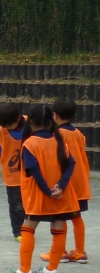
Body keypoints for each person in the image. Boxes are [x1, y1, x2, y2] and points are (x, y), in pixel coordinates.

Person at [2, 103, 78, 273]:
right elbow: (71, 164)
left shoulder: (30, 144)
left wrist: (47, 191)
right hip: (61, 195)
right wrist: (60, 186)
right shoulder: (60, 142)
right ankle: (51, 269)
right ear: (51, 122)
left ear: (31, 122)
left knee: (28, 227)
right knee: (59, 228)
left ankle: (24, 271)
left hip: (39, 195)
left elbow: (34, 171)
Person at [41, 97, 88, 263]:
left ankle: (59, 251)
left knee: (59, 216)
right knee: (76, 216)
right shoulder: (78, 133)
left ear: (55, 115)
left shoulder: (57, 134)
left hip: (65, 181)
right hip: (80, 181)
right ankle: (80, 252)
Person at [0, 103, 28, 241]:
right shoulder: (1, 131)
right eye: (5, 127)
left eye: (10, 126)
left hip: (31, 174)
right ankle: (18, 232)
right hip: (12, 176)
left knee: (30, 205)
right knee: (16, 206)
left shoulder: (31, 124)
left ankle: (28, 229)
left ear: (18, 118)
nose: (8, 129)